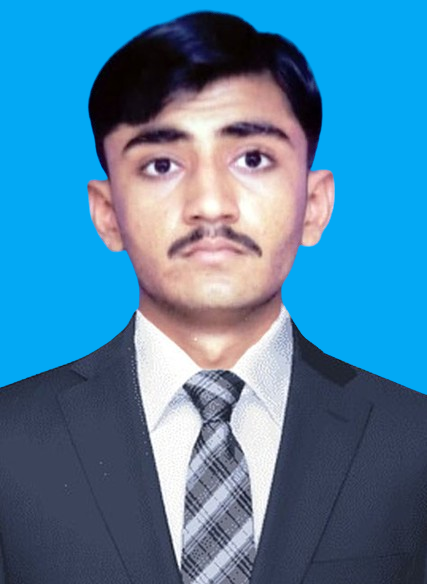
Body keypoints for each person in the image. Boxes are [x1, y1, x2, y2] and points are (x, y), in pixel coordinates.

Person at [0, 10, 426, 584]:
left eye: (252, 159)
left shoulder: (414, 441)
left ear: (314, 204)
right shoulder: (8, 441)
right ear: (107, 214)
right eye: (161, 164)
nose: (209, 204)